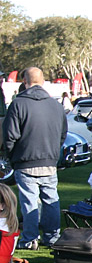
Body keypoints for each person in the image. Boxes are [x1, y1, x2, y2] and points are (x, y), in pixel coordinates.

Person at [1, 67, 67, 250]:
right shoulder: (55, 105)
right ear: (43, 81)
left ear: (24, 81)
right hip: (49, 160)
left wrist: (11, 156)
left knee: (29, 201)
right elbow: (63, 134)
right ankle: (52, 236)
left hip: (25, 159)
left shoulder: (19, 103)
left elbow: (9, 135)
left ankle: (30, 238)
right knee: (50, 199)